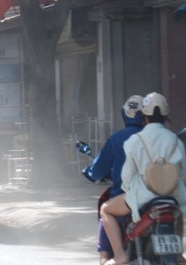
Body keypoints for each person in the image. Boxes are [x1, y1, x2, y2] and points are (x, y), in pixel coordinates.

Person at [99, 92, 186, 265]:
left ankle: (119, 255)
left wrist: (130, 191)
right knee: (177, 213)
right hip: (171, 197)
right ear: (165, 116)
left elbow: (127, 176)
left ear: (144, 117)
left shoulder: (136, 140)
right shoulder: (176, 140)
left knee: (105, 209)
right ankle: (178, 255)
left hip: (142, 197)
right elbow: (183, 174)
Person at [82, 95, 144, 265]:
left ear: (125, 115)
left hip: (127, 198)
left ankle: (113, 257)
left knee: (105, 209)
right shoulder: (155, 136)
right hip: (157, 195)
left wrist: (89, 171)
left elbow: (98, 170)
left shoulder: (118, 138)